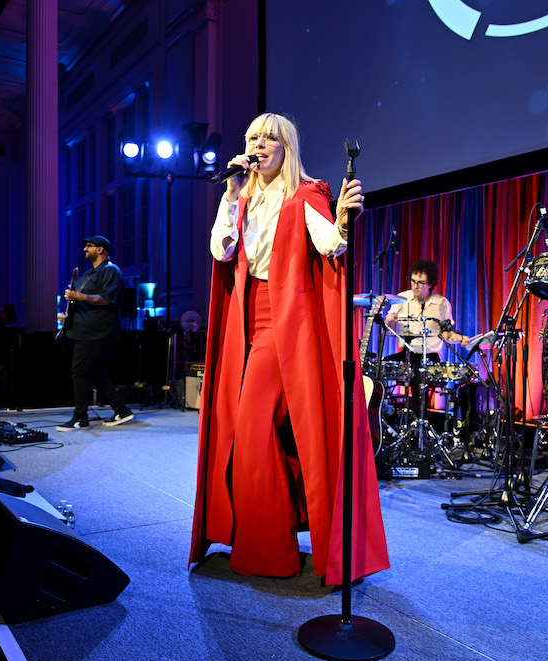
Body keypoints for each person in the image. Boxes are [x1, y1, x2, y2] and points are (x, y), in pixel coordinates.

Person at [189, 113, 389, 583]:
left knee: (253, 430)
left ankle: (269, 551)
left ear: (287, 147)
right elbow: (221, 251)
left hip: (284, 325)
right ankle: (270, 538)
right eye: (252, 137)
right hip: (245, 321)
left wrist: (343, 219)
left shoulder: (305, 194)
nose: (258, 145)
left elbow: (331, 245)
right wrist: (231, 195)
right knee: (254, 433)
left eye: (269, 138)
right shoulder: (240, 196)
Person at [57, 235, 134, 430]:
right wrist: (68, 315)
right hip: (83, 329)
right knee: (95, 372)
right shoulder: (88, 274)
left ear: (100, 250)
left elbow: (107, 299)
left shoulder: (111, 270)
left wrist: (78, 296)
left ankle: (80, 418)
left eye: (89, 246)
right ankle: (121, 410)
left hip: (95, 332)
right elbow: (82, 301)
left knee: (79, 373)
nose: (85, 249)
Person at [384, 259, 468, 413]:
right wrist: (389, 321)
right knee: (380, 367)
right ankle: (384, 413)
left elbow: (446, 334)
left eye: (420, 282)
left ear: (430, 283)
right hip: (407, 354)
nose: (415, 286)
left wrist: (460, 339)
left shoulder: (441, 303)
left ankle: (419, 420)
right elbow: (388, 328)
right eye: (413, 281)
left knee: (418, 379)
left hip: (430, 357)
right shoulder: (401, 298)